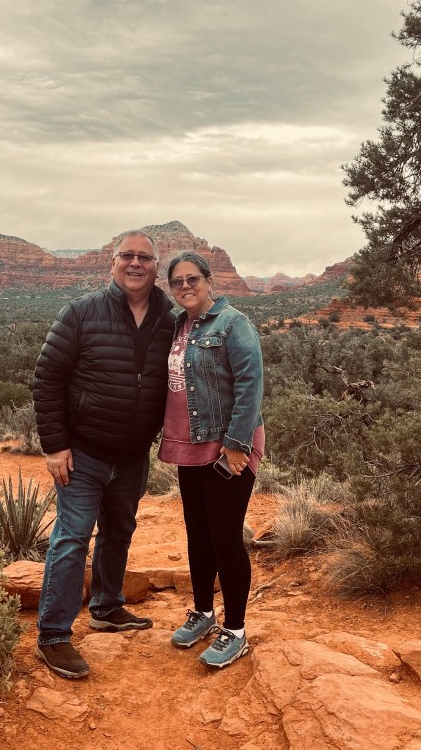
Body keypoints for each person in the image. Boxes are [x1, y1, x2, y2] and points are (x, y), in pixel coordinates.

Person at [32, 229, 175, 679]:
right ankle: (54, 635)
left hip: (132, 455)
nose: (136, 264)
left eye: (145, 258)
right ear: (112, 263)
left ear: (156, 268)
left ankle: (107, 607)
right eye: (127, 256)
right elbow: (47, 378)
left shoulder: (169, 320)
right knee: (72, 537)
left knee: (119, 531)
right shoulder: (81, 313)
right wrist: (55, 445)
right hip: (83, 452)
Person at [158, 250, 264, 669]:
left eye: (192, 279)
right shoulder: (178, 325)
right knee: (198, 534)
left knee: (225, 536)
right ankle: (203, 612)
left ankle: (235, 631)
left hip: (226, 447)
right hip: (189, 445)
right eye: (177, 281)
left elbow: (251, 382)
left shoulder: (233, 323)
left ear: (209, 281)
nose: (185, 286)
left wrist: (237, 443)